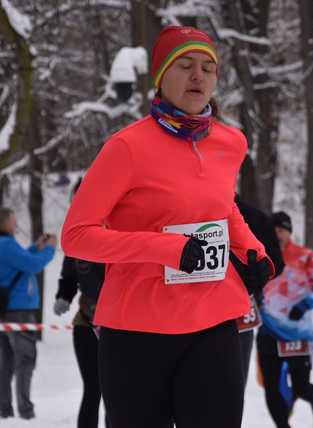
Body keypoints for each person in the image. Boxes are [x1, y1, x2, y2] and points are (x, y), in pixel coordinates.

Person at [61, 26, 275, 428]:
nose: (199, 76)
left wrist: (251, 249)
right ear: (161, 76)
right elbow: (76, 236)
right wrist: (167, 249)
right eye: (185, 65)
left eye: (208, 68)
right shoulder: (126, 147)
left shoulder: (231, 143)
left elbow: (222, 206)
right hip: (137, 330)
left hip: (214, 319)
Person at [0, 207, 56, 420]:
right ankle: (25, 411)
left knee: (6, 360)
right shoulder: (5, 244)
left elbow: (18, 262)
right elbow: (33, 265)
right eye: (13, 221)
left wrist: (35, 247)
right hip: (19, 308)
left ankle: (5, 409)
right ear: (4, 224)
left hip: (3, 308)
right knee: (25, 359)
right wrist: (49, 250)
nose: (15, 225)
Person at [256, 211, 313, 428]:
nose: (277, 234)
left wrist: (305, 304)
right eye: (273, 231)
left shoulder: (304, 256)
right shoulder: (260, 256)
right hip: (268, 332)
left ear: (289, 232)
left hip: (299, 333)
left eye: (281, 230)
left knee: (300, 386)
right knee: (270, 387)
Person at [53, 177, 109, 428]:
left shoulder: (117, 228)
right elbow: (70, 274)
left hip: (120, 324)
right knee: (93, 389)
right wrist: (63, 296)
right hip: (86, 323)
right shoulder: (75, 237)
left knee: (116, 391)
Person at [231, 195, 285, 391]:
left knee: (233, 385)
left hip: (241, 307)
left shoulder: (254, 217)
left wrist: (255, 274)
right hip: (193, 309)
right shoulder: (187, 204)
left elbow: (276, 264)